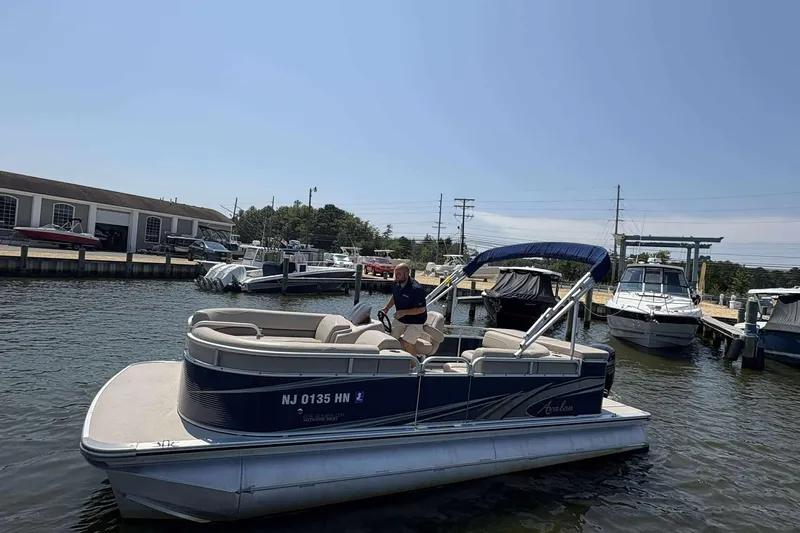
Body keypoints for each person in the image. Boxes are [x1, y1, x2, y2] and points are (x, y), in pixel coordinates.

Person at [380, 263, 428, 356]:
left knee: (407, 343)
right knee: (389, 340)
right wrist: (386, 308)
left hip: (416, 321)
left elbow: (421, 309)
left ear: (406, 274)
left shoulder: (417, 289)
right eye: (395, 273)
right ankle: (390, 360)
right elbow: (395, 296)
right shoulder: (396, 283)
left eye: (399, 274)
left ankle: (415, 363)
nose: (396, 276)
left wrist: (404, 312)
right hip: (401, 319)